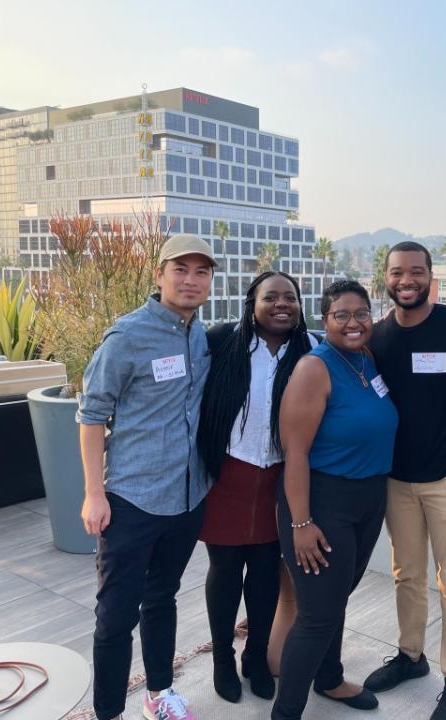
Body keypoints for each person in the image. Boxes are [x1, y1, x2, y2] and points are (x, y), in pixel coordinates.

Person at [77, 234, 216, 720]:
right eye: (181, 269)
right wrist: (95, 494)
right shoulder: (127, 336)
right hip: (132, 500)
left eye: (201, 272)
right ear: (159, 276)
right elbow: (91, 415)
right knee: (115, 615)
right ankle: (108, 711)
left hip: (186, 499)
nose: (191, 280)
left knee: (163, 598)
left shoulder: (199, 333)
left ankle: (159, 693)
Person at [363, 241, 446, 720]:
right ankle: (411, 656)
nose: (407, 280)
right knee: (406, 575)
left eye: (416, 271)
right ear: (387, 277)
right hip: (396, 479)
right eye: (398, 272)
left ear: (430, 275)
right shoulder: (376, 338)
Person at [272, 280, 399, 720]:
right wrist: (301, 523)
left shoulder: (365, 358)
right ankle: (285, 712)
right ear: (323, 320)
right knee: (317, 616)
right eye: (340, 315)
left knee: (335, 598)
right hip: (322, 501)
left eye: (361, 313)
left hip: (368, 497)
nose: (352, 322)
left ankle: (329, 678)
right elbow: (296, 452)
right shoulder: (314, 367)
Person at [197, 271, 317, 703]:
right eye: (271, 297)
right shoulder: (221, 340)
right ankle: (222, 661)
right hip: (228, 475)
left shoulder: (310, 351)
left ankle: (255, 656)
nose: (281, 304)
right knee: (226, 572)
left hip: (279, 478)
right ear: (252, 303)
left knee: (266, 574)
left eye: (290, 298)